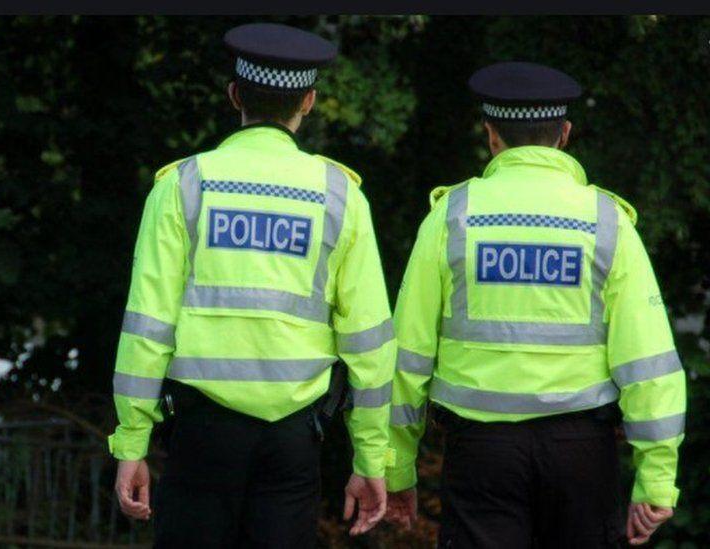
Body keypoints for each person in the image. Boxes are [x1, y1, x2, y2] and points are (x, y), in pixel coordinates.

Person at [108, 22, 396, 548]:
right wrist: (371, 457)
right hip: (293, 438)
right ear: (308, 102)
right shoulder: (341, 197)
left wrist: (132, 442)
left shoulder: (182, 186)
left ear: (235, 94)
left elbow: (147, 327)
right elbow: (370, 344)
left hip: (200, 434)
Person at [384, 61, 686, 547]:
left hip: (481, 454)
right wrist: (656, 476)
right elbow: (647, 361)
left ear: (491, 135)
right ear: (564, 133)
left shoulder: (452, 217)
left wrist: (395, 466)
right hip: (582, 453)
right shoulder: (607, 221)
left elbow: (406, 358)